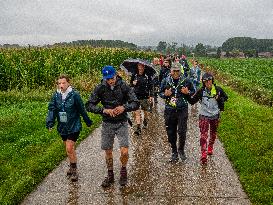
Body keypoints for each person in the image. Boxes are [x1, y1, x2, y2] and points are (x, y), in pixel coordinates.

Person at [85, 66, 139, 187]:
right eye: (108, 79)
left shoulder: (124, 86)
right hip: (107, 123)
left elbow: (135, 102)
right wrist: (103, 110)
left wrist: (124, 107)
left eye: (112, 78)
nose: (110, 81)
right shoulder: (100, 88)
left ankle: (123, 171)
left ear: (116, 75)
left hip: (122, 123)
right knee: (108, 151)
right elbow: (89, 105)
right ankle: (110, 175)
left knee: (124, 151)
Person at [46, 74, 93, 182]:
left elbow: (81, 109)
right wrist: (50, 122)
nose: (61, 85)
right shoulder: (56, 96)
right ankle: (72, 165)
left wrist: (87, 121)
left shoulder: (74, 95)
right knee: (69, 150)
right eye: (59, 83)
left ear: (68, 83)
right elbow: (52, 109)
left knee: (69, 148)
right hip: (62, 126)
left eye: (63, 83)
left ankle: (74, 170)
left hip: (74, 125)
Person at [185, 73, 228, 165]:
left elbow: (226, 98)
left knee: (213, 133)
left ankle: (210, 147)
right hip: (204, 116)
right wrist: (187, 94)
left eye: (209, 80)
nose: (208, 83)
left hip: (215, 115)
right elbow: (192, 101)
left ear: (212, 80)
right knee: (203, 135)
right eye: (205, 81)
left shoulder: (218, 90)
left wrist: (219, 98)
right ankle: (203, 154)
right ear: (203, 82)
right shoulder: (201, 91)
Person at [159, 63, 195, 162]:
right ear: (171, 71)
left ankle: (181, 149)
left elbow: (193, 91)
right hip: (169, 109)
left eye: (177, 71)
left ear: (180, 71)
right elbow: (159, 92)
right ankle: (174, 151)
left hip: (182, 109)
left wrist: (187, 93)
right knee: (171, 131)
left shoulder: (186, 80)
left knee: (182, 131)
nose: (175, 73)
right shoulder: (165, 80)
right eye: (174, 71)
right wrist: (165, 94)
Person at [130, 62, 154, 135]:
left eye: (142, 66)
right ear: (137, 67)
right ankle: (138, 128)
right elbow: (130, 84)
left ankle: (145, 121)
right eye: (139, 66)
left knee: (145, 112)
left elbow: (151, 86)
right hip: (136, 96)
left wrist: (151, 95)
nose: (140, 68)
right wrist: (133, 83)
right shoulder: (134, 75)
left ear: (144, 67)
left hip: (145, 96)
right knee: (137, 112)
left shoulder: (147, 76)